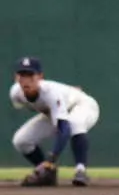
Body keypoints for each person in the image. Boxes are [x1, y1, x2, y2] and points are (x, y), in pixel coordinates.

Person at [9, 57, 100, 187]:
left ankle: (81, 171)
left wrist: (52, 158)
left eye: (30, 75)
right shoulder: (16, 93)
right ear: (16, 77)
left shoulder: (50, 93)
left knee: (74, 123)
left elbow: (64, 129)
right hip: (54, 112)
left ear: (40, 77)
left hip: (82, 105)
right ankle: (47, 173)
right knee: (21, 140)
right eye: (22, 75)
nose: (26, 80)